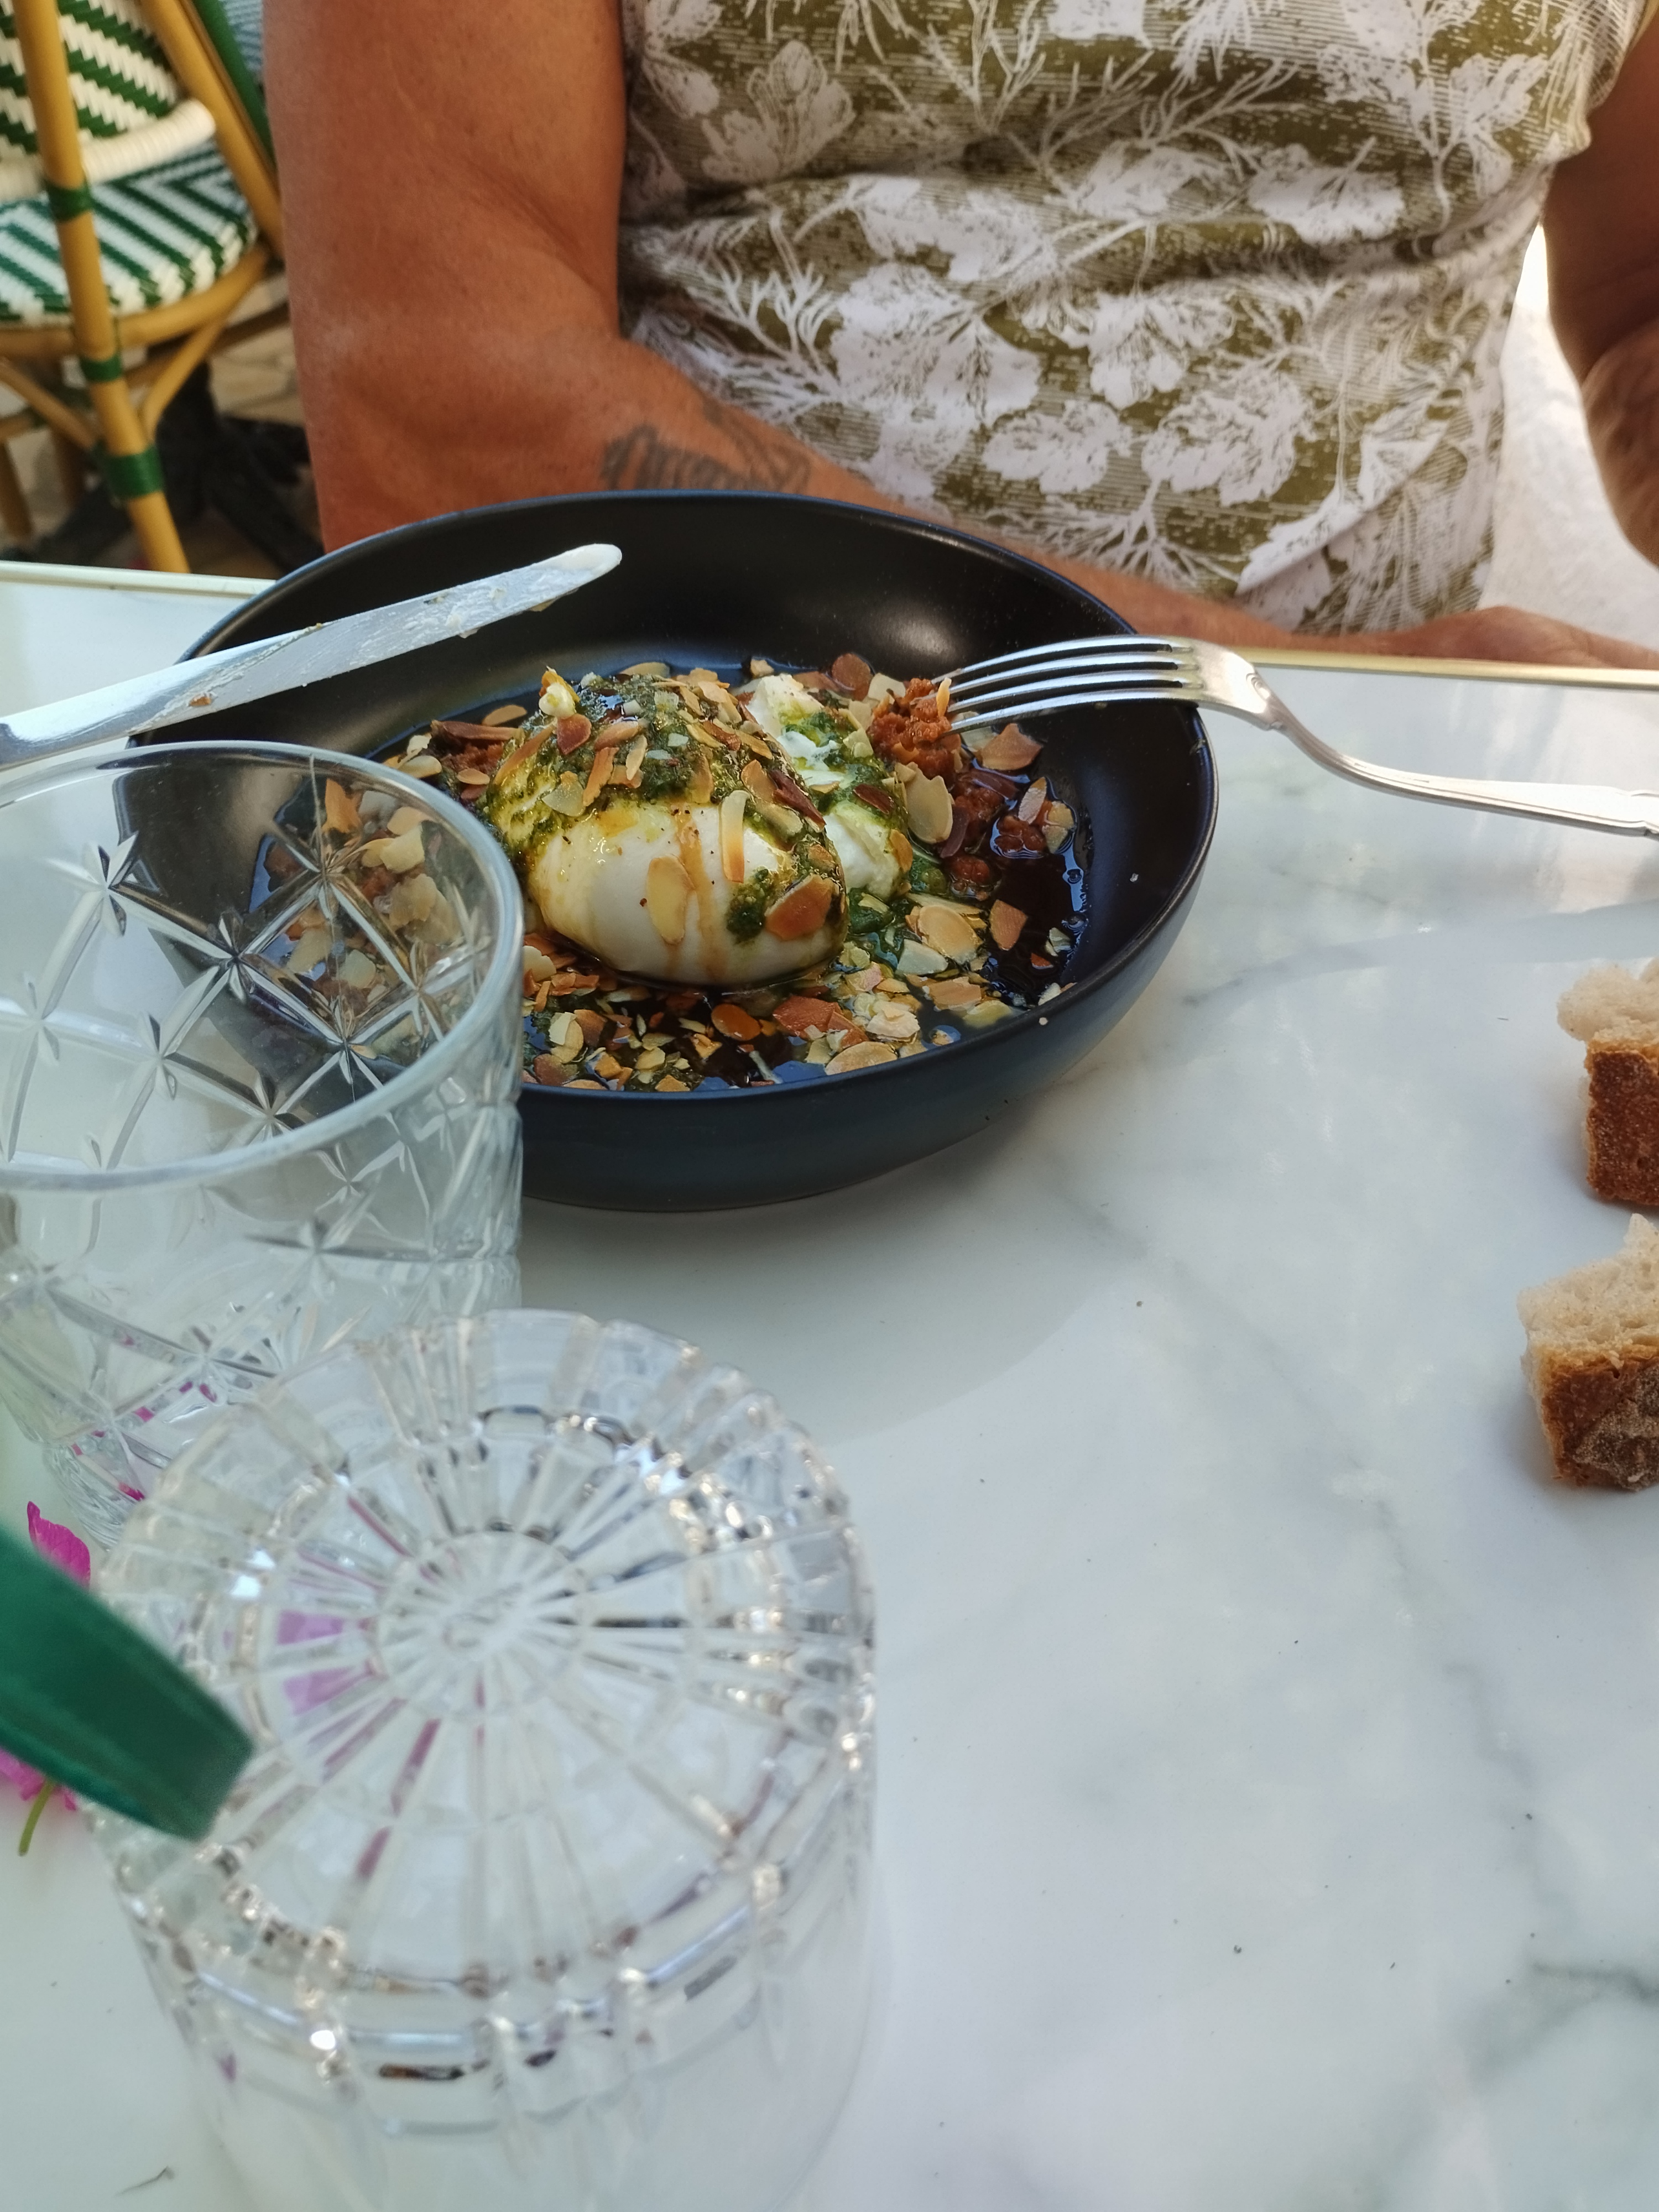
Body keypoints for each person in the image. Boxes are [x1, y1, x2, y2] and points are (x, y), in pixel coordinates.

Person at [265, 0, 1659, 668]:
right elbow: (439, 410)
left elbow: (1637, 304)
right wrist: (1260, 686)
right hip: (733, 778)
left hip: (1410, 810)